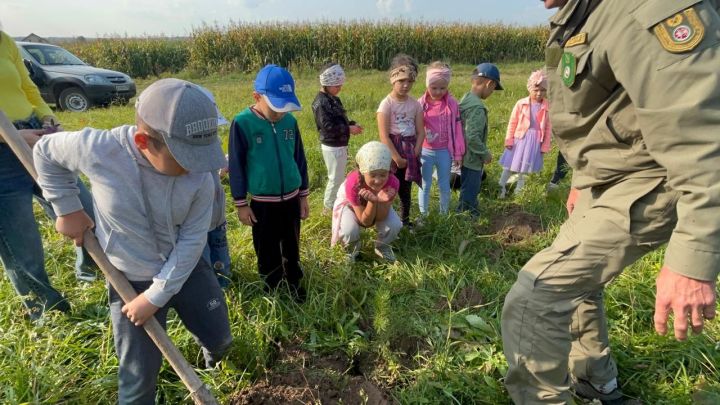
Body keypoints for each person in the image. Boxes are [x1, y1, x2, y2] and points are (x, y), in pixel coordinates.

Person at [501, 0, 720, 403]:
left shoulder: (645, 6)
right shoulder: (585, 11)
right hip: (608, 180)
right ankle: (595, 381)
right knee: (579, 286)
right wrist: (583, 180)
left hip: (651, 183)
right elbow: (608, 107)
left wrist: (693, 260)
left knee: (536, 297)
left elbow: (704, 135)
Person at [33, 78, 233, 404]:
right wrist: (67, 207)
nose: (197, 168)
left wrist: (158, 295)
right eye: (185, 158)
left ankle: (219, 372)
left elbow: (193, 238)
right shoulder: (100, 150)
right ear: (144, 141)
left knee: (220, 337)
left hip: (185, 267)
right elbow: (44, 152)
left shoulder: (202, 176)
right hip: (129, 279)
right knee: (137, 380)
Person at [0, 28, 97, 319]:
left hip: (34, 136)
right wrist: (12, 138)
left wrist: (46, 115)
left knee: (85, 209)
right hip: (3, 159)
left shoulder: (3, 40)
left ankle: (91, 270)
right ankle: (47, 311)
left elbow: (27, 87)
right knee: (22, 244)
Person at [228, 64, 310, 301]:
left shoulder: (289, 123)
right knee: (267, 248)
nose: (281, 112)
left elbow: (299, 158)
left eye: (285, 107)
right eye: (275, 107)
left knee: (292, 243)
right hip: (263, 202)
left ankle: (294, 281)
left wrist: (303, 195)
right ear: (256, 97)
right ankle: (272, 287)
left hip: (292, 198)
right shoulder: (243, 123)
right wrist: (241, 204)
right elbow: (236, 166)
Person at [331, 141, 402, 262]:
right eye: (373, 175)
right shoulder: (353, 183)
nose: (378, 180)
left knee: (394, 224)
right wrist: (373, 202)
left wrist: (381, 201)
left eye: (383, 175)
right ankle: (351, 249)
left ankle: (382, 247)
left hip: (375, 204)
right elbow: (365, 222)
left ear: (389, 171)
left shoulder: (393, 183)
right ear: (363, 172)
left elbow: (380, 218)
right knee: (349, 230)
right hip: (351, 206)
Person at [376, 53, 425, 228]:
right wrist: (396, 157)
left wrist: (416, 151)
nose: (406, 85)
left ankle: (404, 222)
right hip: (392, 152)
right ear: (393, 80)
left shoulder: (415, 105)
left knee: (406, 189)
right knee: (387, 188)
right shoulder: (386, 104)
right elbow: (384, 135)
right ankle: (384, 222)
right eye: (401, 81)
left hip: (410, 150)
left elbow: (421, 132)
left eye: (410, 81)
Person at [311, 63, 364, 214]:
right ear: (326, 84)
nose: (339, 88)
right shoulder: (321, 103)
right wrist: (349, 129)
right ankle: (327, 209)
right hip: (332, 146)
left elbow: (339, 119)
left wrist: (351, 124)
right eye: (336, 85)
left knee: (339, 176)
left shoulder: (334, 99)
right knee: (335, 178)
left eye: (340, 85)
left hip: (339, 144)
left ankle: (337, 203)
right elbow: (328, 127)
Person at [418, 61, 465, 216]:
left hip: (445, 151)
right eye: (434, 88)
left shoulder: (452, 104)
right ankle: (423, 215)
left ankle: (443, 215)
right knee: (424, 184)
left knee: (444, 185)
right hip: (425, 151)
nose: (438, 91)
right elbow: (415, 129)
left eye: (442, 88)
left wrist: (458, 153)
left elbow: (457, 129)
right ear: (427, 85)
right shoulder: (420, 104)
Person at [198, 86, 232, 288]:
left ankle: (223, 286)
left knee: (220, 256)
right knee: (202, 261)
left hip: (217, 214)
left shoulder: (214, 141)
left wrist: (226, 163)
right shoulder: (180, 153)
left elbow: (217, 169)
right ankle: (207, 291)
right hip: (196, 223)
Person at [498, 69, 552, 198]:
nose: (539, 93)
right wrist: (509, 140)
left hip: (535, 141)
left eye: (543, 90)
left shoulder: (547, 106)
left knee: (525, 168)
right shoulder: (521, 104)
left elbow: (549, 127)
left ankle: (519, 192)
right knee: (509, 165)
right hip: (519, 139)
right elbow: (512, 122)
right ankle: (501, 188)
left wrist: (545, 145)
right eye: (536, 90)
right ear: (529, 88)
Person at [457, 63, 502, 216]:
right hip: (472, 158)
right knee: (470, 188)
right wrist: (485, 153)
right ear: (490, 83)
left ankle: (471, 210)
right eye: (493, 89)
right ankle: (466, 217)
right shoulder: (477, 108)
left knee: (468, 186)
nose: (491, 93)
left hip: (463, 154)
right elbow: (472, 136)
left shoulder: (466, 98)